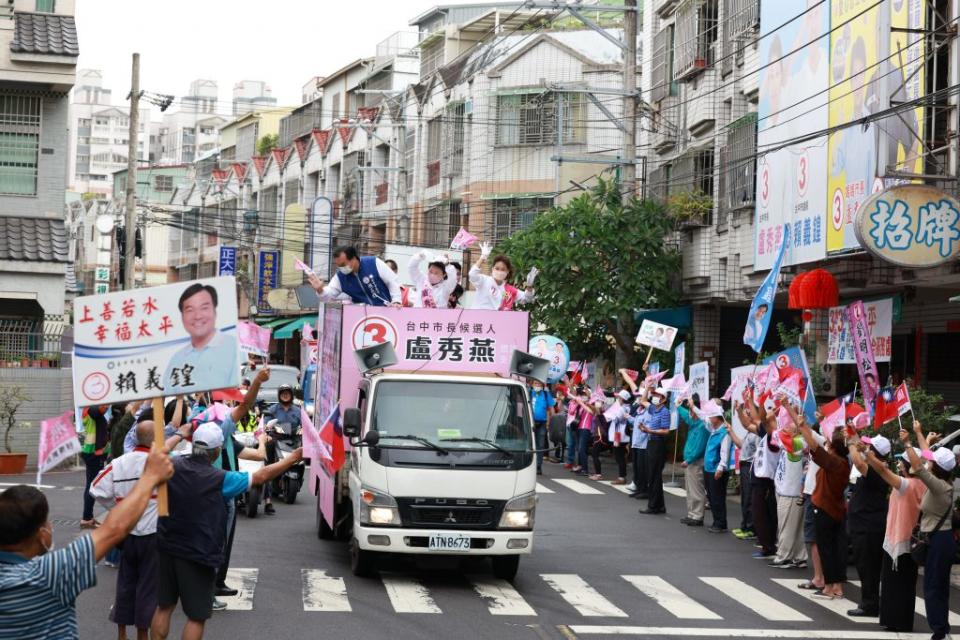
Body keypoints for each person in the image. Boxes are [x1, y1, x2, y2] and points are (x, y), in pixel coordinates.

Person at [150, 423, 304, 640]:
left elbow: (158, 452)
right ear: (215, 452)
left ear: (193, 445)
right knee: (196, 616)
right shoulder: (221, 479)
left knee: (164, 607)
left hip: (166, 545)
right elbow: (260, 477)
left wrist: (177, 435)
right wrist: (291, 458)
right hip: (198, 553)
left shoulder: (172, 464)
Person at [0, 447, 173, 640]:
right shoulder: (49, 575)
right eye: (47, 523)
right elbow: (114, 529)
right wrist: (149, 477)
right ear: (42, 535)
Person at [90, 421, 178, 640]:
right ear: (155, 438)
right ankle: (142, 636)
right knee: (148, 589)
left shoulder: (119, 463)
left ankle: (121, 635)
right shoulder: (163, 464)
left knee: (126, 585)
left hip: (127, 533)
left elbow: (96, 489)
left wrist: (118, 507)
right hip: (153, 533)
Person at [864, 440, 926, 632]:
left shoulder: (905, 484)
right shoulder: (924, 482)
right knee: (906, 585)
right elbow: (925, 459)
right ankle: (902, 621)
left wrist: (867, 453)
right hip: (909, 541)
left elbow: (883, 472)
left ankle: (895, 621)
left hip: (899, 541)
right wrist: (923, 439)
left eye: (902, 462)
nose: (898, 464)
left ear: (910, 465)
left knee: (894, 585)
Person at [791, 402, 849, 601]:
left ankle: (830, 588)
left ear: (833, 446)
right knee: (835, 547)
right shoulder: (843, 463)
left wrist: (801, 427)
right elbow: (817, 446)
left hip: (825, 508)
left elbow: (815, 447)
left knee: (827, 548)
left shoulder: (834, 463)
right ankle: (836, 587)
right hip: (835, 509)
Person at [903, 421, 955, 640]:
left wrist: (907, 442)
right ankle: (942, 626)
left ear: (938, 468)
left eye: (933, 462)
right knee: (939, 585)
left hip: (939, 541)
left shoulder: (938, 486)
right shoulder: (943, 480)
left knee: (933, 586)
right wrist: (919, 433)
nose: (929, 462)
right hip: (943, 539)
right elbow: (926, 457)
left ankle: (938, 630)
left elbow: (917, 463)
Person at [844, 433, 890, 617]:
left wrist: (851, 443)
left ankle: (870, 604)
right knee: (865, 566)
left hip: (868, 527)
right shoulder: (876, 467)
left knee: (868, 567)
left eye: (870, 448)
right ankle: (869, 601)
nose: (867, 449)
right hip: (863, 525)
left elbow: (857, 461)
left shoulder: (878, 470)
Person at [163, 283, 240, 391]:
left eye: (204, 308)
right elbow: (166, 393)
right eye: (190, 310)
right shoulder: (177, 358)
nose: (197, 316)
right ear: (182, 317)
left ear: (215, 311)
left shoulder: (233, 348)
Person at [768, 412, 808, 568]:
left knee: (786, 525)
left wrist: (775, 423)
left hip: (790, 492)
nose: (784, 426)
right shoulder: (796, 441)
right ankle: (799, 556)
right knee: (795, 527)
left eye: (788, 423)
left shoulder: (799, 442)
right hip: (787, 490)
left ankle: (783, 556)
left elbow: (778, 435)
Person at [306, 245, 402, 306]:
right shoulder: (340, 277)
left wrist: (396, 301)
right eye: (338, 266)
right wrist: (320, 289)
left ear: (354, 258)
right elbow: (328, 296)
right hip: (362, 318)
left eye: (343, 265)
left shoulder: (374, 263)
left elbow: (392, 282)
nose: (341, 268)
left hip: (388, 312)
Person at [262, 380, 302, 516]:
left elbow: (306, 424)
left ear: (291, 395)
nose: (285, 396)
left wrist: (305, 430)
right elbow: (266, 422)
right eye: (283, 394)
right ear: (279, 395)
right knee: (268, 446)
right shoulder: (273, 409)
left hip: (294, 439)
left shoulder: (298, 410)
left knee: (303, 450)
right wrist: (267, 429)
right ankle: (268, 471)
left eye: (287, 393)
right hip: (277, 438)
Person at [698, 400, 734, 533]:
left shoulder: (724, 432)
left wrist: (720, 467)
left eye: (711, 416)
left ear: (717, 418)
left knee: (717, 497)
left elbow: (725, 452)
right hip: (709, 469)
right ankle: (716, 521)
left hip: (716, 470)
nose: (709, 419)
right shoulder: (714, 430)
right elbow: (702, 418)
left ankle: (720, 523)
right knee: (712, 497)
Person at [636, 386, 672, 515]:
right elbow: (643, 400)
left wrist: (650, 430)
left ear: (663, 399)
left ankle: (653, 506)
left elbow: (666, 430)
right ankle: (659, 505)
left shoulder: (664, 411)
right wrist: (647, 386)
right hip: (651, 442)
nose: (654, 397)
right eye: (654, 395)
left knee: (654, 476)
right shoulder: (654, 409)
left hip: (658, 444)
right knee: (652, 475)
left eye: (657, 395)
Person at [469, 243, 534, 310]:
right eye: (497, 268)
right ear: (492, 269)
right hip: (478, 318)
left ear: (507, 271)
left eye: (503, 269)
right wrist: (482, 257)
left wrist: (529, 286)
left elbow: (527, 298)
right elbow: (472, 274)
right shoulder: (484, 281)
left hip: (497, 319)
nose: (499, 271)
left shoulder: (509, 290)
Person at [728, 406, 758, 540]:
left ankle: (750, 528)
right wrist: (730, 432)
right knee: (745, 496)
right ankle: (745, 525)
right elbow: (741, 445)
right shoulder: (750, 432)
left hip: (751, 466)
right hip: (745, 464)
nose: (746, 417)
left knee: (749, 498)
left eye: (748, 414)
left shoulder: (757, 433)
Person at [679, 396, 708, 527]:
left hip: (695, 461)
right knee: (690, 489)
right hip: (690, 461)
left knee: (696, 490)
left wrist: (689, 460)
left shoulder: (702, 426)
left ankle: (697, 516)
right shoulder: (694, 422)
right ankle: (692, 514)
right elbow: (685, 415)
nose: (689, 413)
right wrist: (678, 405)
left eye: (691, 410)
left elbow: (700, 447)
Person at [80, 404, 110, 529]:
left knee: (91, 484)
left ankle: (88, 517)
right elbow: (102, 408)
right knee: (92, 485)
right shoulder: (91, 409)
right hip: (93, 453)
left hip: (92, 452)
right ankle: (86, 518)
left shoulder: (89, 410)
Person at [529, 379, 556, 475]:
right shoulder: (528, 392)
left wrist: (553, 421)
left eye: (539, 384)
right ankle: (529, 465)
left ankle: (538, 466)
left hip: (542, 424)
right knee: (530, 445)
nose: (537, 385)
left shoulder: (545, 394)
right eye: (535, 383)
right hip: (530, 423)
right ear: (532, 384)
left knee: (540, 446)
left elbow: (552, 409)